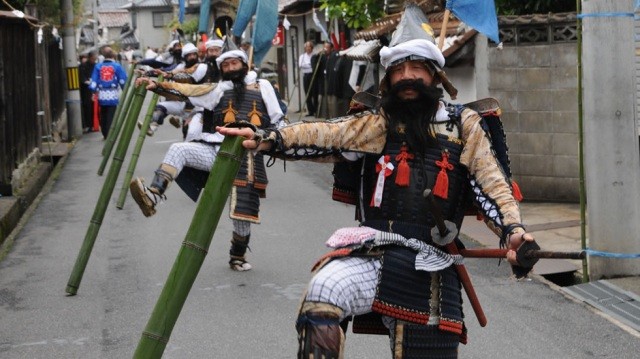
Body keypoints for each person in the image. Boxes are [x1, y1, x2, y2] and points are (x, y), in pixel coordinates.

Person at [217, 3, 534, 357]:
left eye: (417, 67)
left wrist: (514, 232)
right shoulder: (377, 123)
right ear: (388, 78)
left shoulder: (464, 126)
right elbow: (325, 133)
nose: (407, 76)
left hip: (432, 263)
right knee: (324, 289)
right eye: (398, 69)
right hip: (375, 250)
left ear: (434, 75)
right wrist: (268, 137)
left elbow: (492, 185)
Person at [130, 43, 285, 272]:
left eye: (234, 63)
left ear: (244, 64)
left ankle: (237, 256)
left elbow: (277, 117)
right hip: (216, 151)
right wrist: (156, 86)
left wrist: (273, 141)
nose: (231, 68)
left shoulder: (262, 86)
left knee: (241, 215)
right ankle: (153, 196)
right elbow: (186, 92)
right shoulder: (218, 89)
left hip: (247, 156)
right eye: (226, 64)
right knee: (178, 149)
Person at [140, 42, 209, 136]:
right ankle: (152, 127)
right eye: (189, 55)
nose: (192, 57)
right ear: (185, 57)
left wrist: (171, 76)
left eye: (194, 54)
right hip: (181, 103)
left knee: (189, 133)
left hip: (197, 107)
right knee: (160, 107)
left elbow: (186, 77)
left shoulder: (202, 67)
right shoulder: (181, 66)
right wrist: (148, 73)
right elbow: (167, 72)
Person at [89, 46, 127, 139]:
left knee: (103, 113)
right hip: (112, 93)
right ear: (113, 55)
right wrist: (124, 89)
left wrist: (93, 91)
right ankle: (110, 133)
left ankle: (105, 132)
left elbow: (94, 80)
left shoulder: (98, 66)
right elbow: (123, 80)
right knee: (111, 113)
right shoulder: (117, 66)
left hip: (102, 93)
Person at [79, 50, 97, 132]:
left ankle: (94, 124)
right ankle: (88, 125)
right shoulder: (82, 66)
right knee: (87, 107)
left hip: (94, 88)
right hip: (86, 89)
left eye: (95, 59)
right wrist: (87, 81)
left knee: (95, 106)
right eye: (93, 59)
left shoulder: (96, 66)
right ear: (89, 58)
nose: (94, 60)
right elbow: (82, 78)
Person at [298, 41, 317, 117]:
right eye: (306, 47)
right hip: (306, 75)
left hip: (313, 75)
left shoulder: (314, 55)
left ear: (311, 48)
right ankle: (310, 111)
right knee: (307, 93)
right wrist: (309, 65)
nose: (307, 48)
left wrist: (308, 65)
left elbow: (314, 66)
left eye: (309, 47)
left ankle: (316, 110)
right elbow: (301, 65)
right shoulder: (302, 56)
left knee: (314, 93)